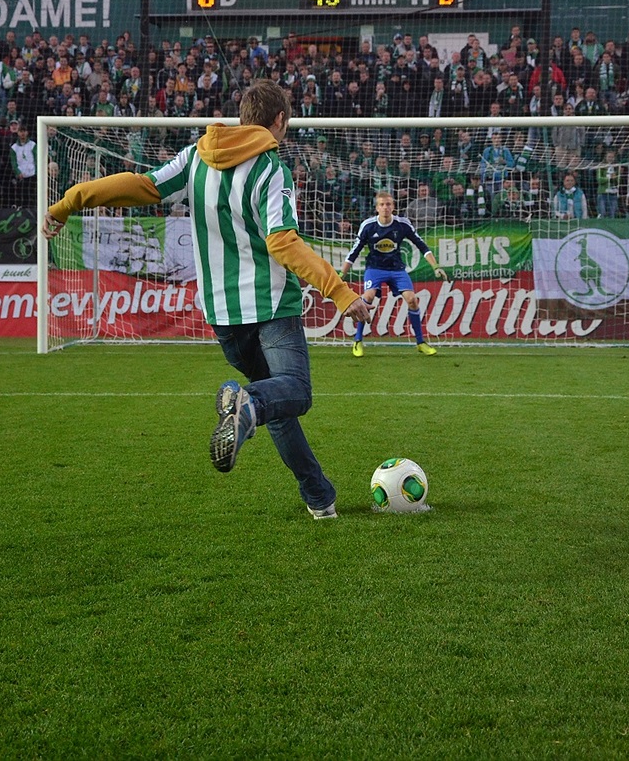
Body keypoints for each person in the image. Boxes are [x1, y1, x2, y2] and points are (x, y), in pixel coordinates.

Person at [42, 81, 370, 520]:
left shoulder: (197, 156)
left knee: (274, 405)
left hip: (221, 316)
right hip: (271, 308)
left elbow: (139, 185)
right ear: (279, 122)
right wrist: (341, 291)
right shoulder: (271, 169)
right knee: (293, 393)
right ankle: (247, 405)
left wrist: (69, 202)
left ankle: (319, 497)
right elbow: (283, 243)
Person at [339, 191, 447, 358]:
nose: (385, 207)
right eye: (382, 204)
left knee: (412, 299)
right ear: (377, 208)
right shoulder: (368, 226)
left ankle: (420, 343)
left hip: (396, 269)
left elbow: (422, 246)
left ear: (393, 206)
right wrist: (341, 274)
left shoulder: (402, 224)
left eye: (388, 204)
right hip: (374, 269)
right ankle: (358, 340)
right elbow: (354, 252)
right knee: (367, 297)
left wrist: (436, 266)